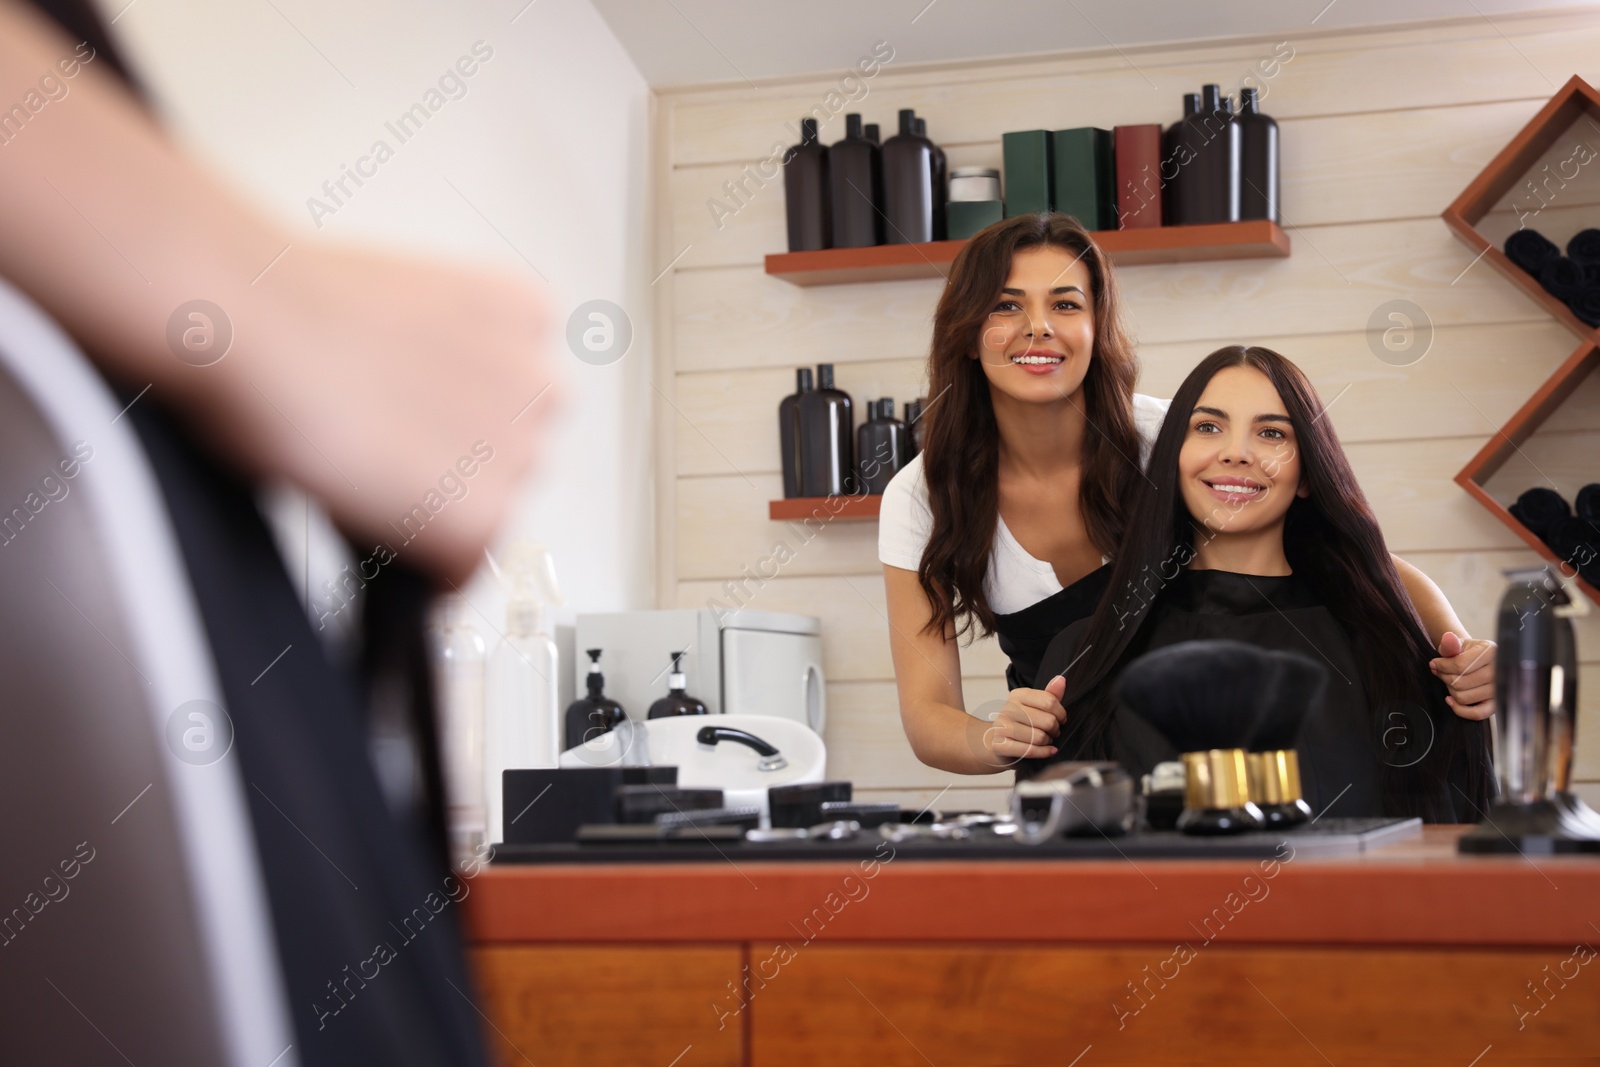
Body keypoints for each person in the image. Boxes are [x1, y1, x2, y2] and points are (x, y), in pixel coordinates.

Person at [879, 214, 1494, 775]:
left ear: (1097, 329)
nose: (1038, 327)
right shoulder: (920, 498)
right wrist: (999, 738)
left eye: (1066, 304)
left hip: (1210, 747)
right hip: (1079, 765)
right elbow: (929, 714)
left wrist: (1459, 654)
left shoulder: (1173, 440)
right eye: (1006, 306)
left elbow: (1343, 556)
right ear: (966, 332)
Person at [1030, 345, 1493, 821]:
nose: (1236, 453)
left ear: (1308, 474)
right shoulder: (1082, 658)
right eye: (1208, 427)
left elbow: (1457, 850)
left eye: (1272, 433)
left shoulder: (1394, 651)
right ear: (1173, 457)